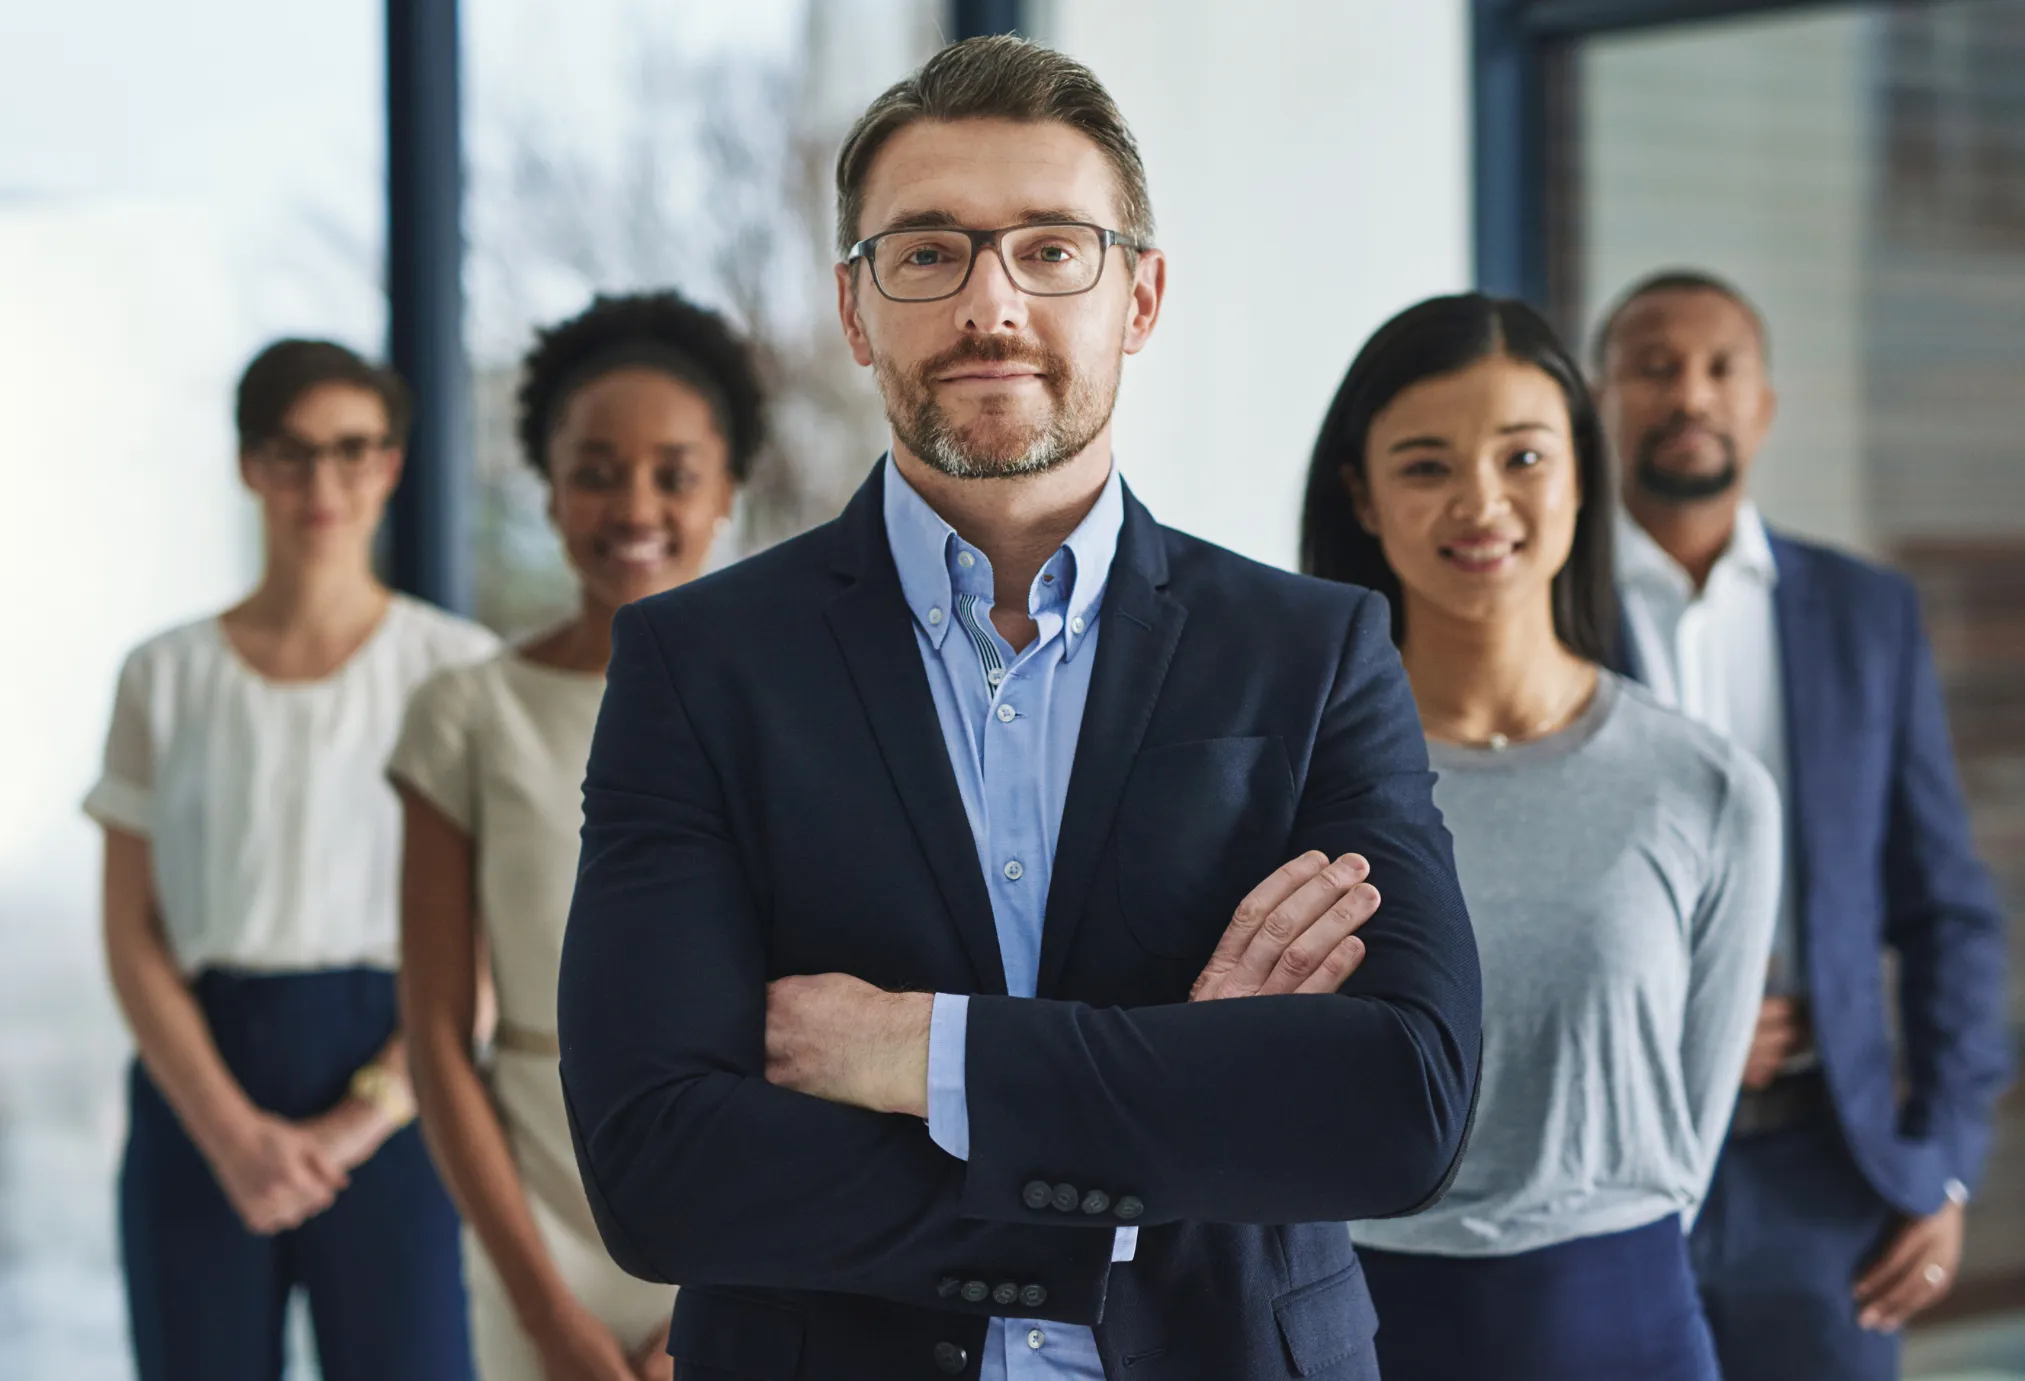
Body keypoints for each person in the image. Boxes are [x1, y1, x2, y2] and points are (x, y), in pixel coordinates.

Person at [556, 35, 1482, 1381]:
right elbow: (659, 1169)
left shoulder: (1312, 651)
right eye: (927, 252)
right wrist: (1182, 1099)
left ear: (1140, 295)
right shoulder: (698, 666)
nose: (991, 305)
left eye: (1052, 249)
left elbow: (1399, 1106)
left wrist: (922, 1050)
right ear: (855, 309)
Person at [1297, 293, 1781, 1379]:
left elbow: (1686, 1140)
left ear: (1580, 475)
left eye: (1523, 456)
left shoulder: (1707, 787)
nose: (1482, 502)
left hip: (1624, 1325)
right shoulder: (1289, 782)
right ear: (1362, 497)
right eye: (1426, 466)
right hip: (1346, 1327)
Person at [1593, 269, 2012, 1380]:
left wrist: (1945, 1163)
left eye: (1720, 368)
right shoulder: (1547, 611)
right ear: (1600, 400)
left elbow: (1947, 908)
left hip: (1826, 1179)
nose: (1690, 393)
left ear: (1763, 405)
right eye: (1653, 366)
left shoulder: (1866, 615)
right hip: (1604, 1172)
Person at [85, 339, 496, 1380]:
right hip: (201, 1088)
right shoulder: (162, 677)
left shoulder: (454, 671)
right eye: (292, 453)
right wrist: (229, 1130)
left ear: (392, 465)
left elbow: (490, 935)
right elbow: (133, 929)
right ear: (248, 465)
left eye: (352, 451)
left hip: (407, 1095)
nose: (323, 482)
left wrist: (364, 1121)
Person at [392, 291, 763, 1381]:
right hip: (533, 1216)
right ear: (550, 493)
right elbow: (436, 1040)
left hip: (746, 1208)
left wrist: (718, 1288)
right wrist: (547, 1314)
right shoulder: (464, 714)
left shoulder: (791, 708)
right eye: (595, 471)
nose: (631, 504)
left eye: (673, 472)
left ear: (726, 489)